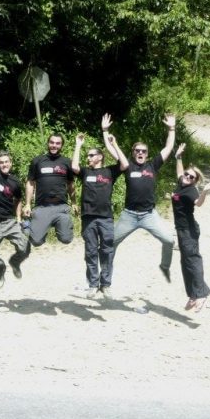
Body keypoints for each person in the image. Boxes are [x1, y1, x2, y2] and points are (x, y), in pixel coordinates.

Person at [113, 113, 177, 283]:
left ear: (147, 154)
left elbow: (168, 148)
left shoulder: (153, 165)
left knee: (169, 240)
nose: (140, 153)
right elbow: (114, 152)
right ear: (133, 153)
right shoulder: (127, 166)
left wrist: (171, 128)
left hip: (149, 215)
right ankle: (105, 277)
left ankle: (164, 266)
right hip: (129, 215)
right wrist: (106, 134)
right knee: (110, 243)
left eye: (143, 151)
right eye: (137, 151)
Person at [71, 114, 128, 299]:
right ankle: (93, 284)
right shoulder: (86, 172)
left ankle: (106, 284)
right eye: (87, 155)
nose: (88, 157)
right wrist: (78, 146)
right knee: (90, 252)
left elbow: (125, 164)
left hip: (105, 217)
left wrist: (112, 140)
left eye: (91, 155)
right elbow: (74, 167)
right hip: (88, 217)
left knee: (107, 250)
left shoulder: (109, 171)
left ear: (100, 157)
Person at [0, 112, 30, 287]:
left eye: (6, 162)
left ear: (11, 163)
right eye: (1, 162)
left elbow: (18, 200)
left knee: (26, 247)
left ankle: (15, 262)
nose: (3, 164)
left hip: (10, 222)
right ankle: (0, 268)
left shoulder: (16, 182)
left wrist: (18, 220)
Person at [172, 143, 210, 312]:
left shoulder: (191, 191)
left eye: (192, 177)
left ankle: (202, 295)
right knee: (185, 262)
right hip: (181, 230)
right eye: (187, 175)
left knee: (193, 260)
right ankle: (193, 294)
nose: (187, 177)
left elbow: (198, 204)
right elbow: (179, 172)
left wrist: (204, 192)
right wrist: (178, 157)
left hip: (189, 230)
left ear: (195, 181)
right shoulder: (181, 184)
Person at [23, 132, 75, 247]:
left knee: (66, 239)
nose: (54, 145)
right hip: (42, 206)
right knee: (36, 241)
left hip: (61, 206)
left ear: (61, 146)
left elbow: (71, 183)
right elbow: (30, 183)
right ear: (48, 143)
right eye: (52, 142)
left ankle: (61, 225)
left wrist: (74, 202)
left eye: (58, 143)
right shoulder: (37, 161)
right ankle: (36, 224)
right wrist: (27, 204)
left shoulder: (67, 162)